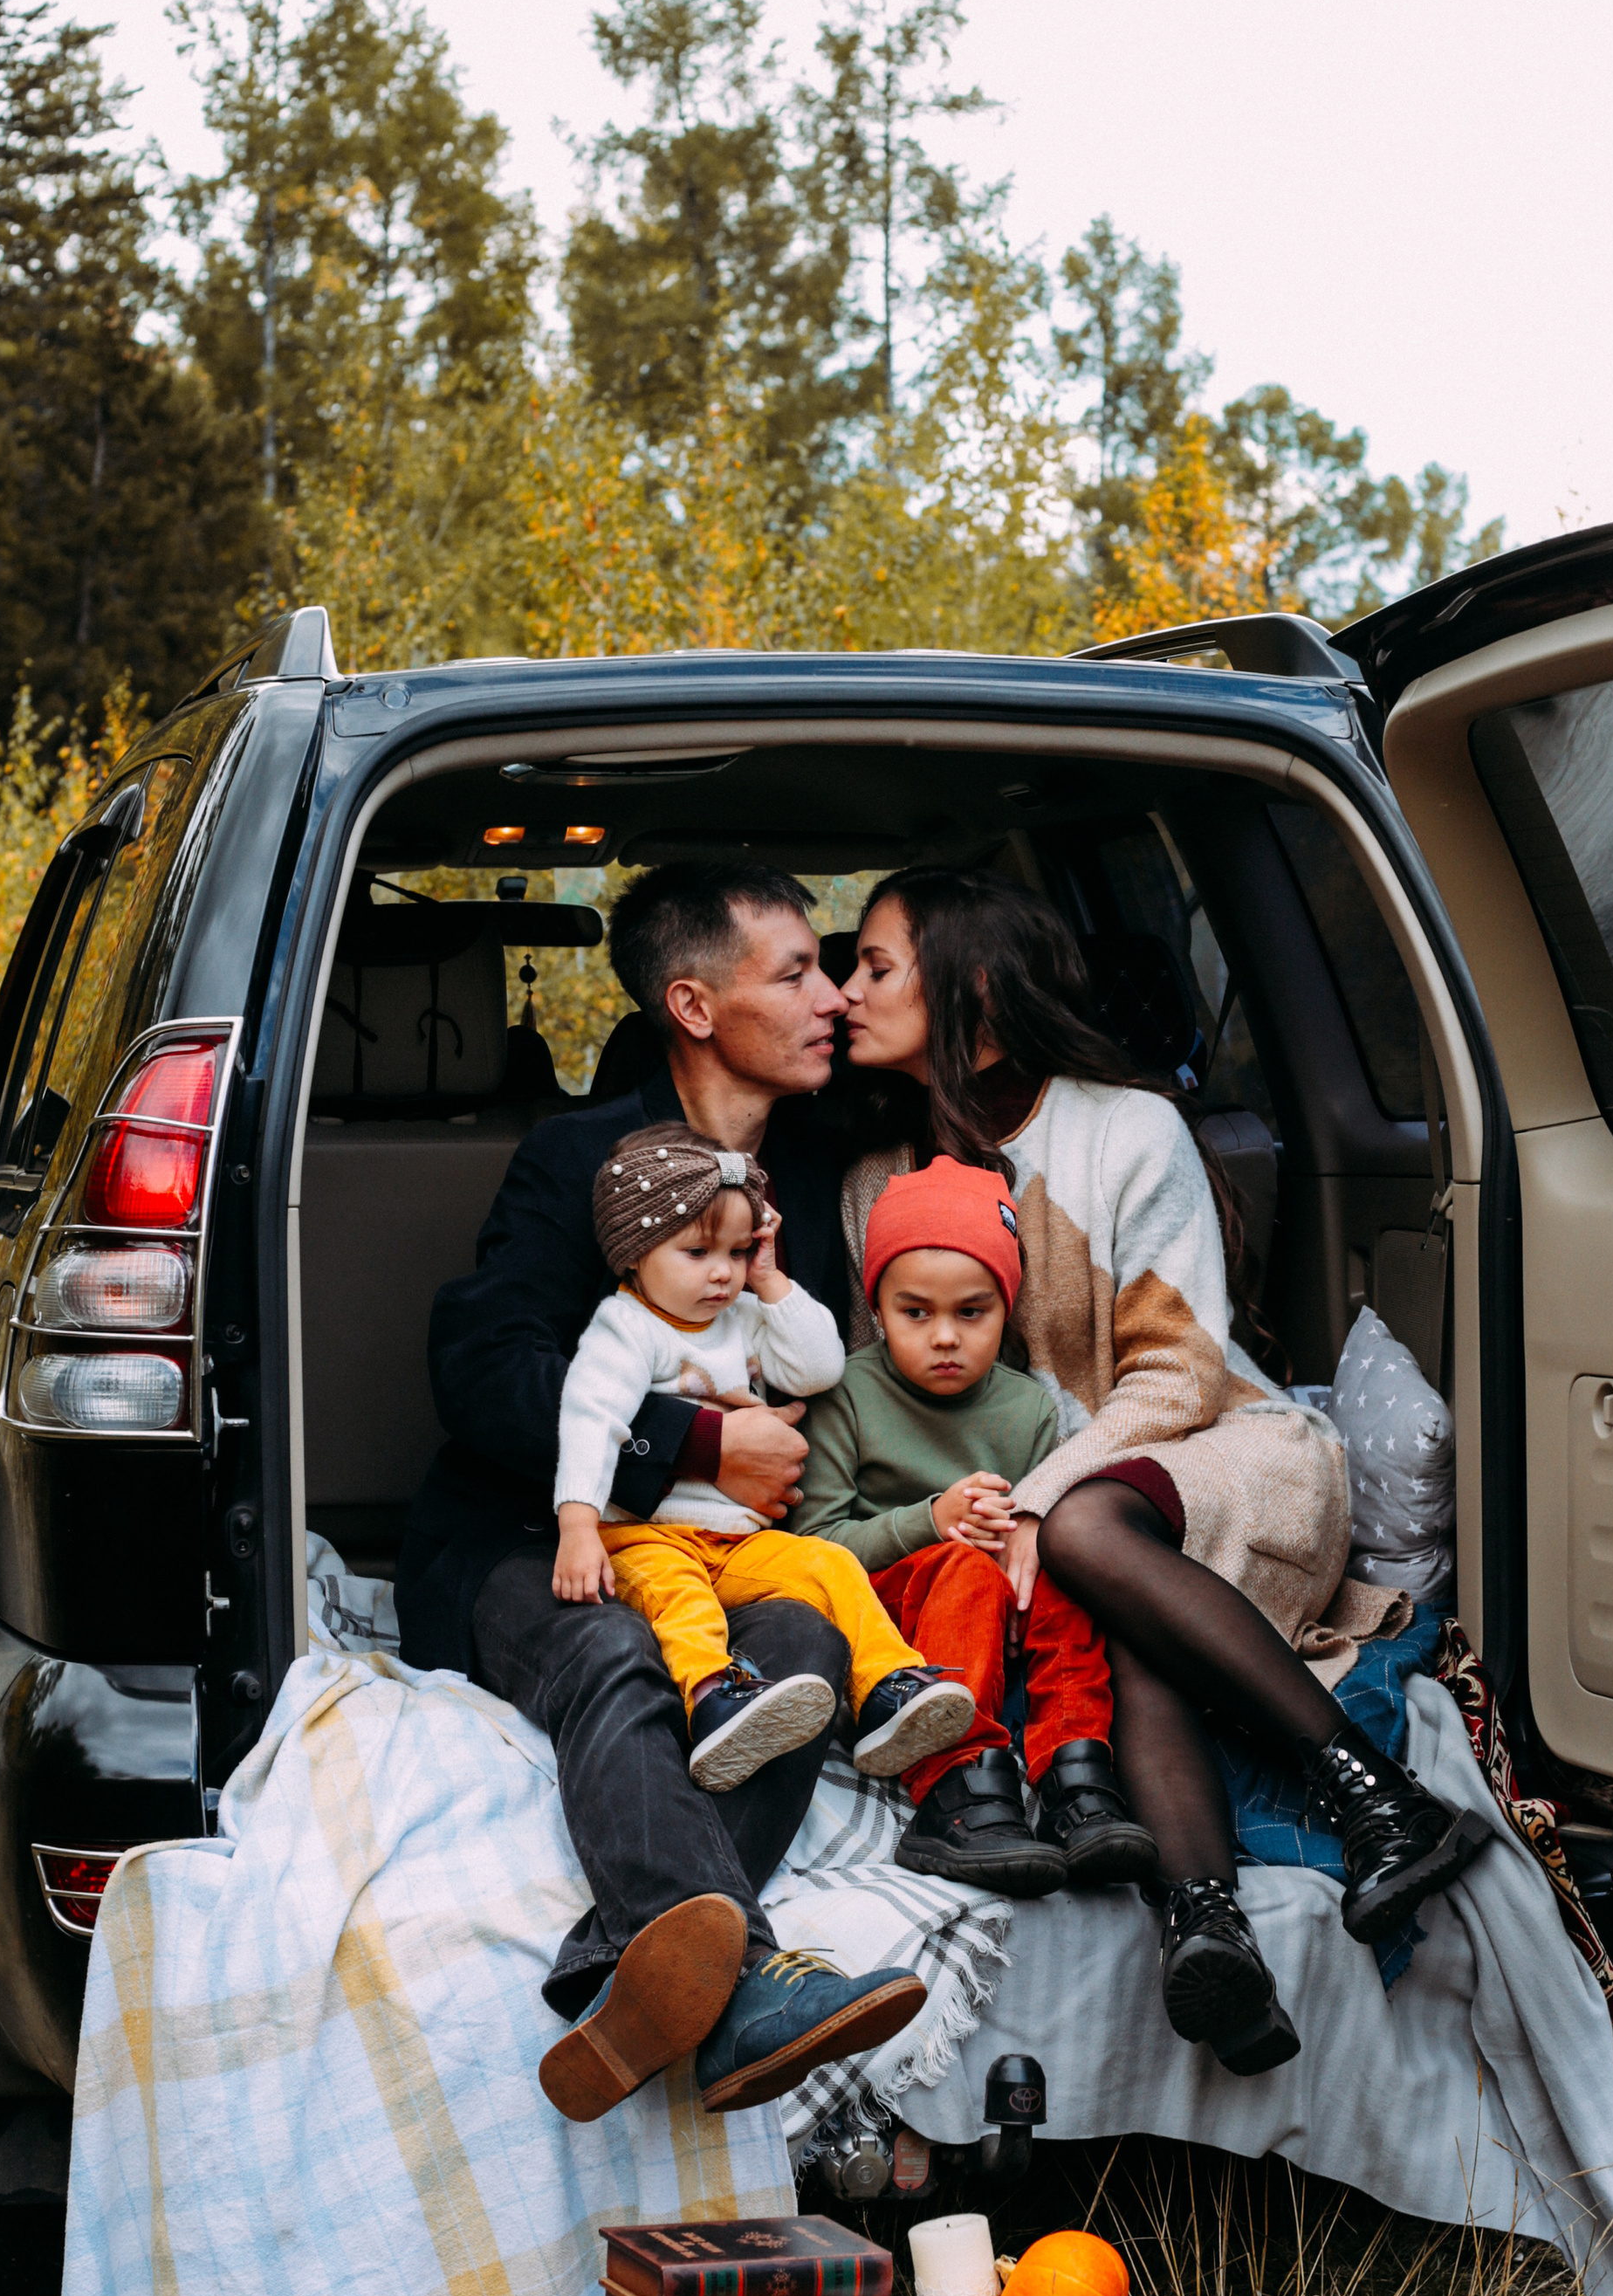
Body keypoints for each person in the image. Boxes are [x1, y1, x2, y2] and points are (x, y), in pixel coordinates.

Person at [838, 867, 1481, 2079]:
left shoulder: (1125, 1132)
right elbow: (904, 1404)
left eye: (874, 965)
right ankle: (1209, 1924)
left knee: (1087, 1536)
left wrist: (1033, 1502)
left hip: (1222, 1456)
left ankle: (1370, 1791)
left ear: (972, 984)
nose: (846, 988)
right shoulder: (877, 1186)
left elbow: (1179, 1379)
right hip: (1073, 1517)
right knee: (1108, 1574)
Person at [398, 860, 926, 2129]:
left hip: (724, 1550)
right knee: (619, 1651)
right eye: (796, 972)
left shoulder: (828, 1149)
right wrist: (694, 1441)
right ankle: (742, 1976)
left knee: (799, 1648)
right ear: (694, 1007)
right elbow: (485, 1375)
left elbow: (966, 1047)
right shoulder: (578, 1158)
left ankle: (619, 1968)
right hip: (533, 1540)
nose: (830, 1000)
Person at [552, 1117, 977, 1786]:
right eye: (697, 1253)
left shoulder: (742, 1314)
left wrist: (771, 1280)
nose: (723, 1273)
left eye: (737, 1250)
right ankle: (714, 1701)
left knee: (831, 1567)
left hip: (739, 1544)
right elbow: (587, 1418)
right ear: (635, 1251)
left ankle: (888, 1690)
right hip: (644, 1538)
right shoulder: (627, 1327)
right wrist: (577, 1527)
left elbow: (819, 1367)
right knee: (679, 1601)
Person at [797, 1154, 1153, 1899]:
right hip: (889, 1613)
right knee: (961, 1570)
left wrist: (1016, 1552)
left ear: (1007, 1308)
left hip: (994, 1610)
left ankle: (1076, 1774)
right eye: (915, 1313)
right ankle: (957, 1784)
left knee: (1063, 1570)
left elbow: (1035, 1526)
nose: (945, 1337)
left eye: (972, 1312)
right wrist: (933, 1522)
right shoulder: (850, 1395)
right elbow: (816, 1549)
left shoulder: (1028, 1410)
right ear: (878, 1306)